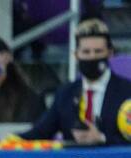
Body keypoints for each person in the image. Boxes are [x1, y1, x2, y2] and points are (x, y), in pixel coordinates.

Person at [22, 18, 131, 146]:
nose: (92, 57)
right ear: (76, 55)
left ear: (110, 53)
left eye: (98, 51)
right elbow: (40, 133)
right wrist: (11, 139)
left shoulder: (127, 91)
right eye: (86, 52)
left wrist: (102, 138)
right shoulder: (65, 93)